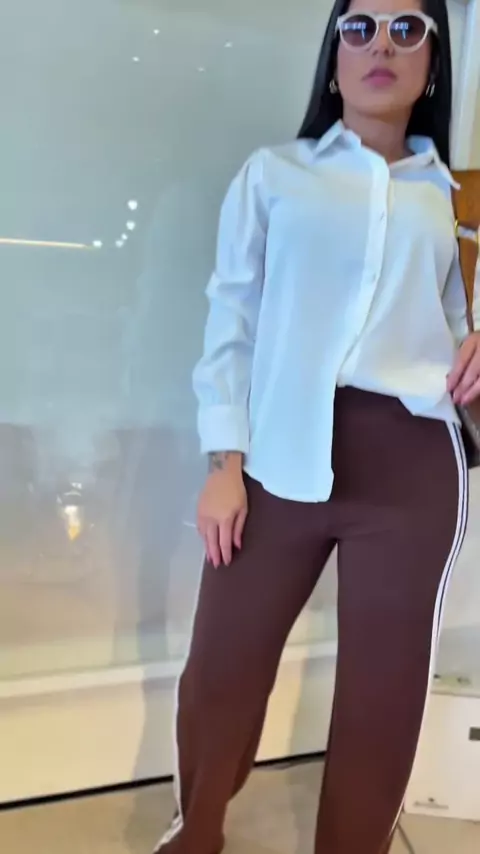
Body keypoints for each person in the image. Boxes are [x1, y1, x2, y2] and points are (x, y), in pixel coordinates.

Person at [154, 0, 480, 852]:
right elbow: (232, 320)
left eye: (408, 29)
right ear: (333, 55)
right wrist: (224, 462)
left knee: (383, 693)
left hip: (413, 462)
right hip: (278, 453)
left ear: (433, 64)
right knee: (222, 668)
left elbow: (458, 338)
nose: (382, 45)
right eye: (359, 27)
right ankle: (197, 833)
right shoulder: (273, 175)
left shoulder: (456, 200)